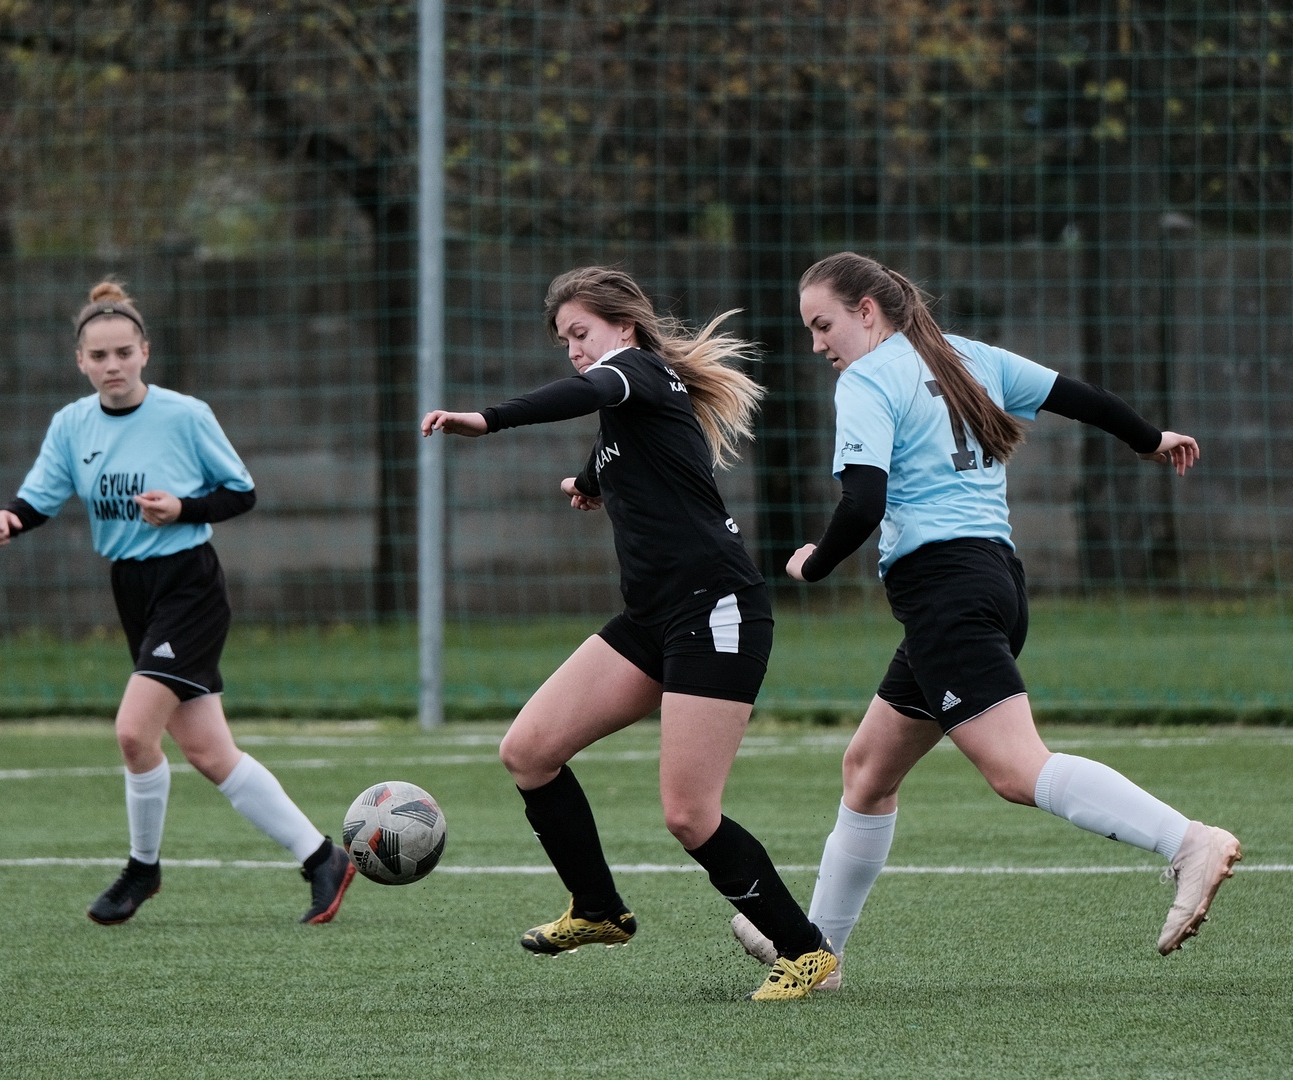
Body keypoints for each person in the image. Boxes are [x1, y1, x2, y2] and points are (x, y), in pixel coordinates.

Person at [730, 250, 1241, 989]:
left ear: (866, 312)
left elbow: (863, 502)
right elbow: (1081, 397)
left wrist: (814, 564)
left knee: (1015, 769)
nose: (817, 344)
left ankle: (1187, 841)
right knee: (868, 772)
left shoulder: (868, 380)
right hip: (993, 583)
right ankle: (818, 953)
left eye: (823, 325)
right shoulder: (970, 355)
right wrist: (1148, 438)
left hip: (947, 594)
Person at [422, 266, 836, 1001]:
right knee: (528, 752)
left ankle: (806, 952)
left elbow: (591, 391)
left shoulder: (635, 370)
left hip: (716, 611)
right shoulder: (630, 399)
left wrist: (488, 419)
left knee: (688, 814)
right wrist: (589, 483)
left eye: (581, 333)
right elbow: (618, 437)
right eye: (564, 340)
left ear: (625, 327)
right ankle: (597, 909)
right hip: (652, 620)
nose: (573, 350)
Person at [0, 279, 354, 927]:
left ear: (145, 352)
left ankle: (143, 868)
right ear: (80, 361)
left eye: (124, 352)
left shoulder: (184, 415)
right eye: (99, 356)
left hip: (189, 585)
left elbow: (241, 493)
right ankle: (322, 858)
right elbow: (40, 496)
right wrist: (10, 519)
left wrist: (182, 508)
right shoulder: (71, 424)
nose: (113, 365)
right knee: (210, 753)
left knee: (134, 732)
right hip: (132, 589)